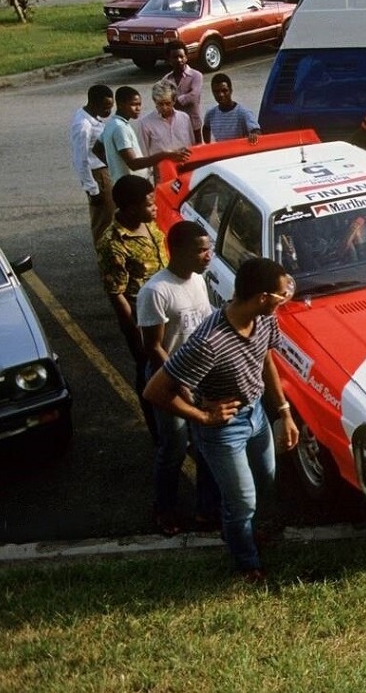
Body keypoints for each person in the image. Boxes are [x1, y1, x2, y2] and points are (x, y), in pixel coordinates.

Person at [143, 257, 300, 582]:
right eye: (281, 294)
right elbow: (155, 391)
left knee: (264, 481)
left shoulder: (265, 320)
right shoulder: (208, 342)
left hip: (256, 414)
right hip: (223, 430)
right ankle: (247, 562)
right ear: (262, 297)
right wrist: (202, 415)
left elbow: (265, 358)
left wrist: (283, 412)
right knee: (241, 501)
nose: (286, 298)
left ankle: (237, 533)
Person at [137, 220, 220, 536]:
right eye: (201, 250)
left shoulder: (198, 281)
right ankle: (164, 509)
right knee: (174, 446)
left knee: (206, 445)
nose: (207, 255)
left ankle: (205, 511)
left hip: (199, 377)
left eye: (207, 248)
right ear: (180, 251)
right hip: (169, 380)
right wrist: (180, 383)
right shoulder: (156, 291)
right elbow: (153, 346)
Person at [97, 174, 168, 443]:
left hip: (165, 308)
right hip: (142, 317)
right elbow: (118, 295)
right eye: (149, 205)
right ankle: (157, 431)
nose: (155, 208)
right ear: (130, 207)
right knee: (148, 371)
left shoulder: (147, 224)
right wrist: (135, 335)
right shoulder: (113, 243)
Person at [102, 86, 189, 182]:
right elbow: (134, 164)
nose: (138, 108)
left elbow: (97, 148)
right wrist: (165, 155)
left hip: (128, 180)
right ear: (121, 104)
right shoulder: (120, 128)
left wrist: (114, 165)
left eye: (139, 104)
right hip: (132, 182)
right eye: (133, 104)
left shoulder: (112, 124)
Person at [71, 84, 116, 245]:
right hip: (98, 177)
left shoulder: (92, 116)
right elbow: (80, 160)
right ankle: (104, 262)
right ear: (94, 103)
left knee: (111, 219)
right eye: (105, 107)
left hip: (105, 173)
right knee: (104, 222)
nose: (108, 112)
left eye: (111, 107)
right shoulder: (83, 126)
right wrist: (92, 189)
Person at [137, 79, 194, 181]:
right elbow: (144, 153)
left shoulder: (184, 118)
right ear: (155, 101)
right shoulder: (145, 123)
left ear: (174, 101)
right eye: (160, 104)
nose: (164, 107)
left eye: (168, 103)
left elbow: (191, 144)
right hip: (161, 173)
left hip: (185, 168)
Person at [163, 41, 202, 144]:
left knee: (197, 151)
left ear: (186, 57)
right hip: (175, 125)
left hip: (193, 124)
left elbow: (193, 96)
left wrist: (173, 101)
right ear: (169, 60)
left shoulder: (196, 75)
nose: (179, 60)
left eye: (181, 56)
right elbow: (164, 101)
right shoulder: (166, 80)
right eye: (175, 57)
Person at [202, 74, 260, 144]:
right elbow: (206, 128)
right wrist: (208, 146)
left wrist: (254, 134)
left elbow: (256, 131)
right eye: (216, 91)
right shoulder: (211, 114)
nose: (221, 94)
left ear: (231, 90)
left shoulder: (243, 112)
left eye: (224, 90)